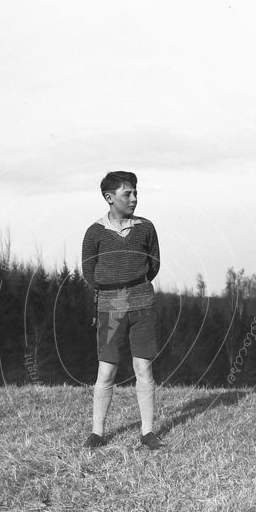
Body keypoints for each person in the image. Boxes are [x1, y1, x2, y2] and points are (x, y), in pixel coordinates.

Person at [81, 171, 164, 449]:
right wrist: (113, 292)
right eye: (127, 193)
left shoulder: (146, 227)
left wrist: (134, 287)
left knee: (144, 368)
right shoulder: (95, 232)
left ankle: (148, 432)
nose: (134, 198)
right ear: (109, 197)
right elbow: (89, 272)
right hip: (110, 305)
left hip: (142, 302)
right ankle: (97, 433)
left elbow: (153, 265)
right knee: (106, 370)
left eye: (135, 192)